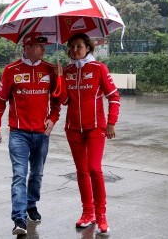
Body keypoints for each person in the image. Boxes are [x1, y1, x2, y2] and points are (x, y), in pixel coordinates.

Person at [0, 32, 61, 236]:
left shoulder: (50, 69)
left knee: (37, 174)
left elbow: (57, 100)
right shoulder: (11, 70)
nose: (44, 49)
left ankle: (31, 205)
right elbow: (0, 100)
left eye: (44, 46)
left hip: (42, 134)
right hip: (19, 134)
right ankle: (19, 218)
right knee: (20, 175)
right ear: (27, 47)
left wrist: (53, 118)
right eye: (40, 46)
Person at [56, 33, 120, 235]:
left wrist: (111, 123)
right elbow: (64, 101)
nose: (75, 50)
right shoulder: (66, 71)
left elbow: (114, 96)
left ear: (88, 48)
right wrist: (59, 78)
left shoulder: (98, 68)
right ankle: (87, 213)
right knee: (81, 172)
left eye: (79, 46)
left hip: (95, 128)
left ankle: (101, 216)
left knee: (94, 168)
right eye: (72, 47)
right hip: (73, 128)